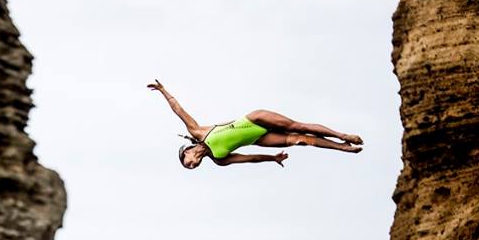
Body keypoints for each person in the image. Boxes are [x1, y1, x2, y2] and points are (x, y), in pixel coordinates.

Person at [147, 79, 363, 169]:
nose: (192, 165)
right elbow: (250, 158)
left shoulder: (198, 132)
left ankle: (342, 135)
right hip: (259, 138)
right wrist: (273, 159)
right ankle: (343, 148)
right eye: (191, 167)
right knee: (300, 141)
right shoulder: (219, 160)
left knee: (298, 127)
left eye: (188, 162)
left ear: (188, 150)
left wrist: (164, 91)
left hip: (254, 119)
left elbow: (179, 111)